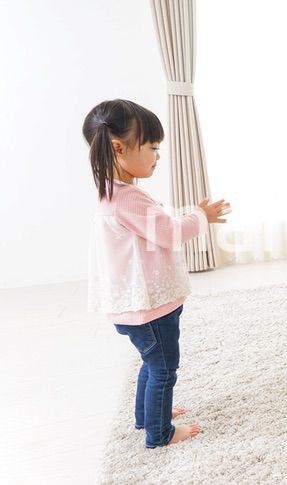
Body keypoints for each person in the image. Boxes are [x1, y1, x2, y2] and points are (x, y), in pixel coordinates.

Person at [83, 99, 231, 448]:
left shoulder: (112, 194)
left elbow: (154, 230)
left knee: (151, 363)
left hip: (136, 308)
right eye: (152, 147)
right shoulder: (129, 199)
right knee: (164, 368)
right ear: (118, 148)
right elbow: (169, 233)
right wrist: (201, 216)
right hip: (151, 309)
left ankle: (148, 416)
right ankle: (159, 432)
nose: (158, 156)